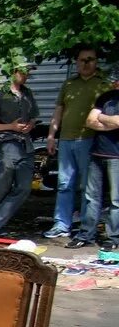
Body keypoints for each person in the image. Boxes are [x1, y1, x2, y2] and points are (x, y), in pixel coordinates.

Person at [45, 47, 111, 240]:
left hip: (90, 140)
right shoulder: (69, 84)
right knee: (64, 184)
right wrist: (51, 135)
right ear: (77, 62)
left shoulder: (103, 85)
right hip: (66, 139)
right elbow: (58, 110)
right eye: (82, 60)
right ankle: (61, 224)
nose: (86, 63)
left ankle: (85, 226)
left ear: (96, 62)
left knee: (87, 186)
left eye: (90, 59)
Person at [0, 65, 40, 238]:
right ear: (12, 72)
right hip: (5, 143)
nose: (26, 75)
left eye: (28, 72)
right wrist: (11, 126)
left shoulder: (28, 94)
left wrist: (31, 124)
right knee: (2, 187)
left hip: (25, 145)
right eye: (22, 71)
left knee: (24, 187)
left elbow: (34, 116)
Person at [76, 76, 119, 249]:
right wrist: (111, 121)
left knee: (116, 200)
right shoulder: (105, 97)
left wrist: (101, 118)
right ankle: (86, 234)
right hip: (97, 153)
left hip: (117, 157)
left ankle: (114, 237)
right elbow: (89, 121)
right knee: (91, 197)